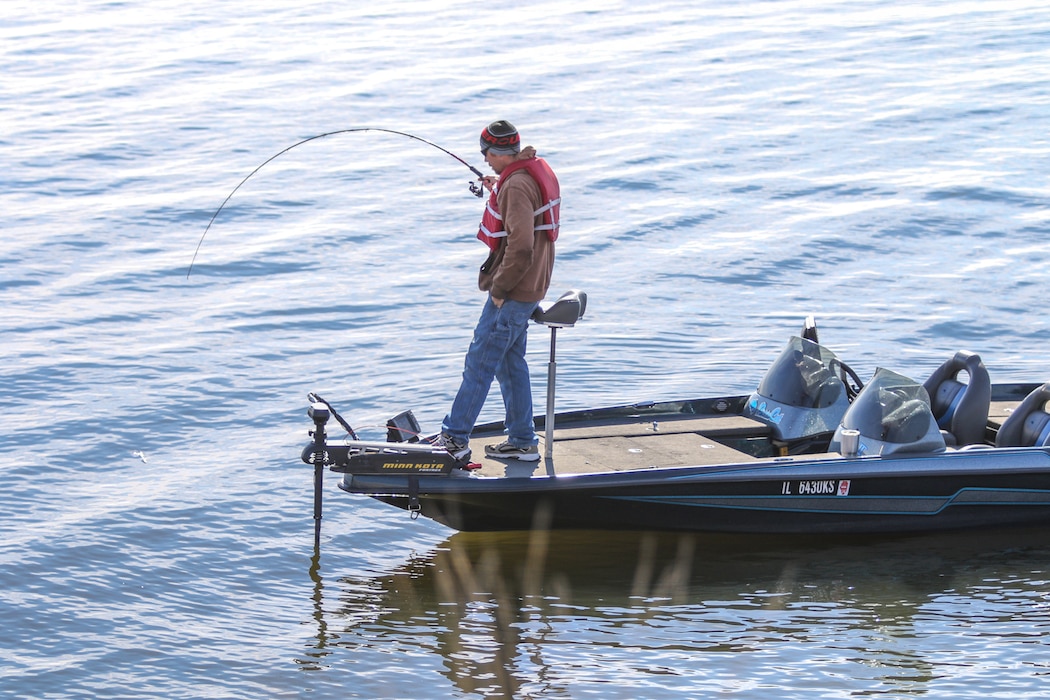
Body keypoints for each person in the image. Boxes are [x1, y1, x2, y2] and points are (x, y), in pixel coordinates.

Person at [433, 120, 561, 463]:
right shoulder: (527, 174)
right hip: (532, 284)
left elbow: (520, 247)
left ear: (499, 153)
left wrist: (500, 290)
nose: (485, 160)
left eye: (487, 154)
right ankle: (521, 440)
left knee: (480, 362)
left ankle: (454, 439)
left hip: (514, 289)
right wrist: (499, 186)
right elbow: (526, 215)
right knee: (508, 362)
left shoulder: (516, 186)